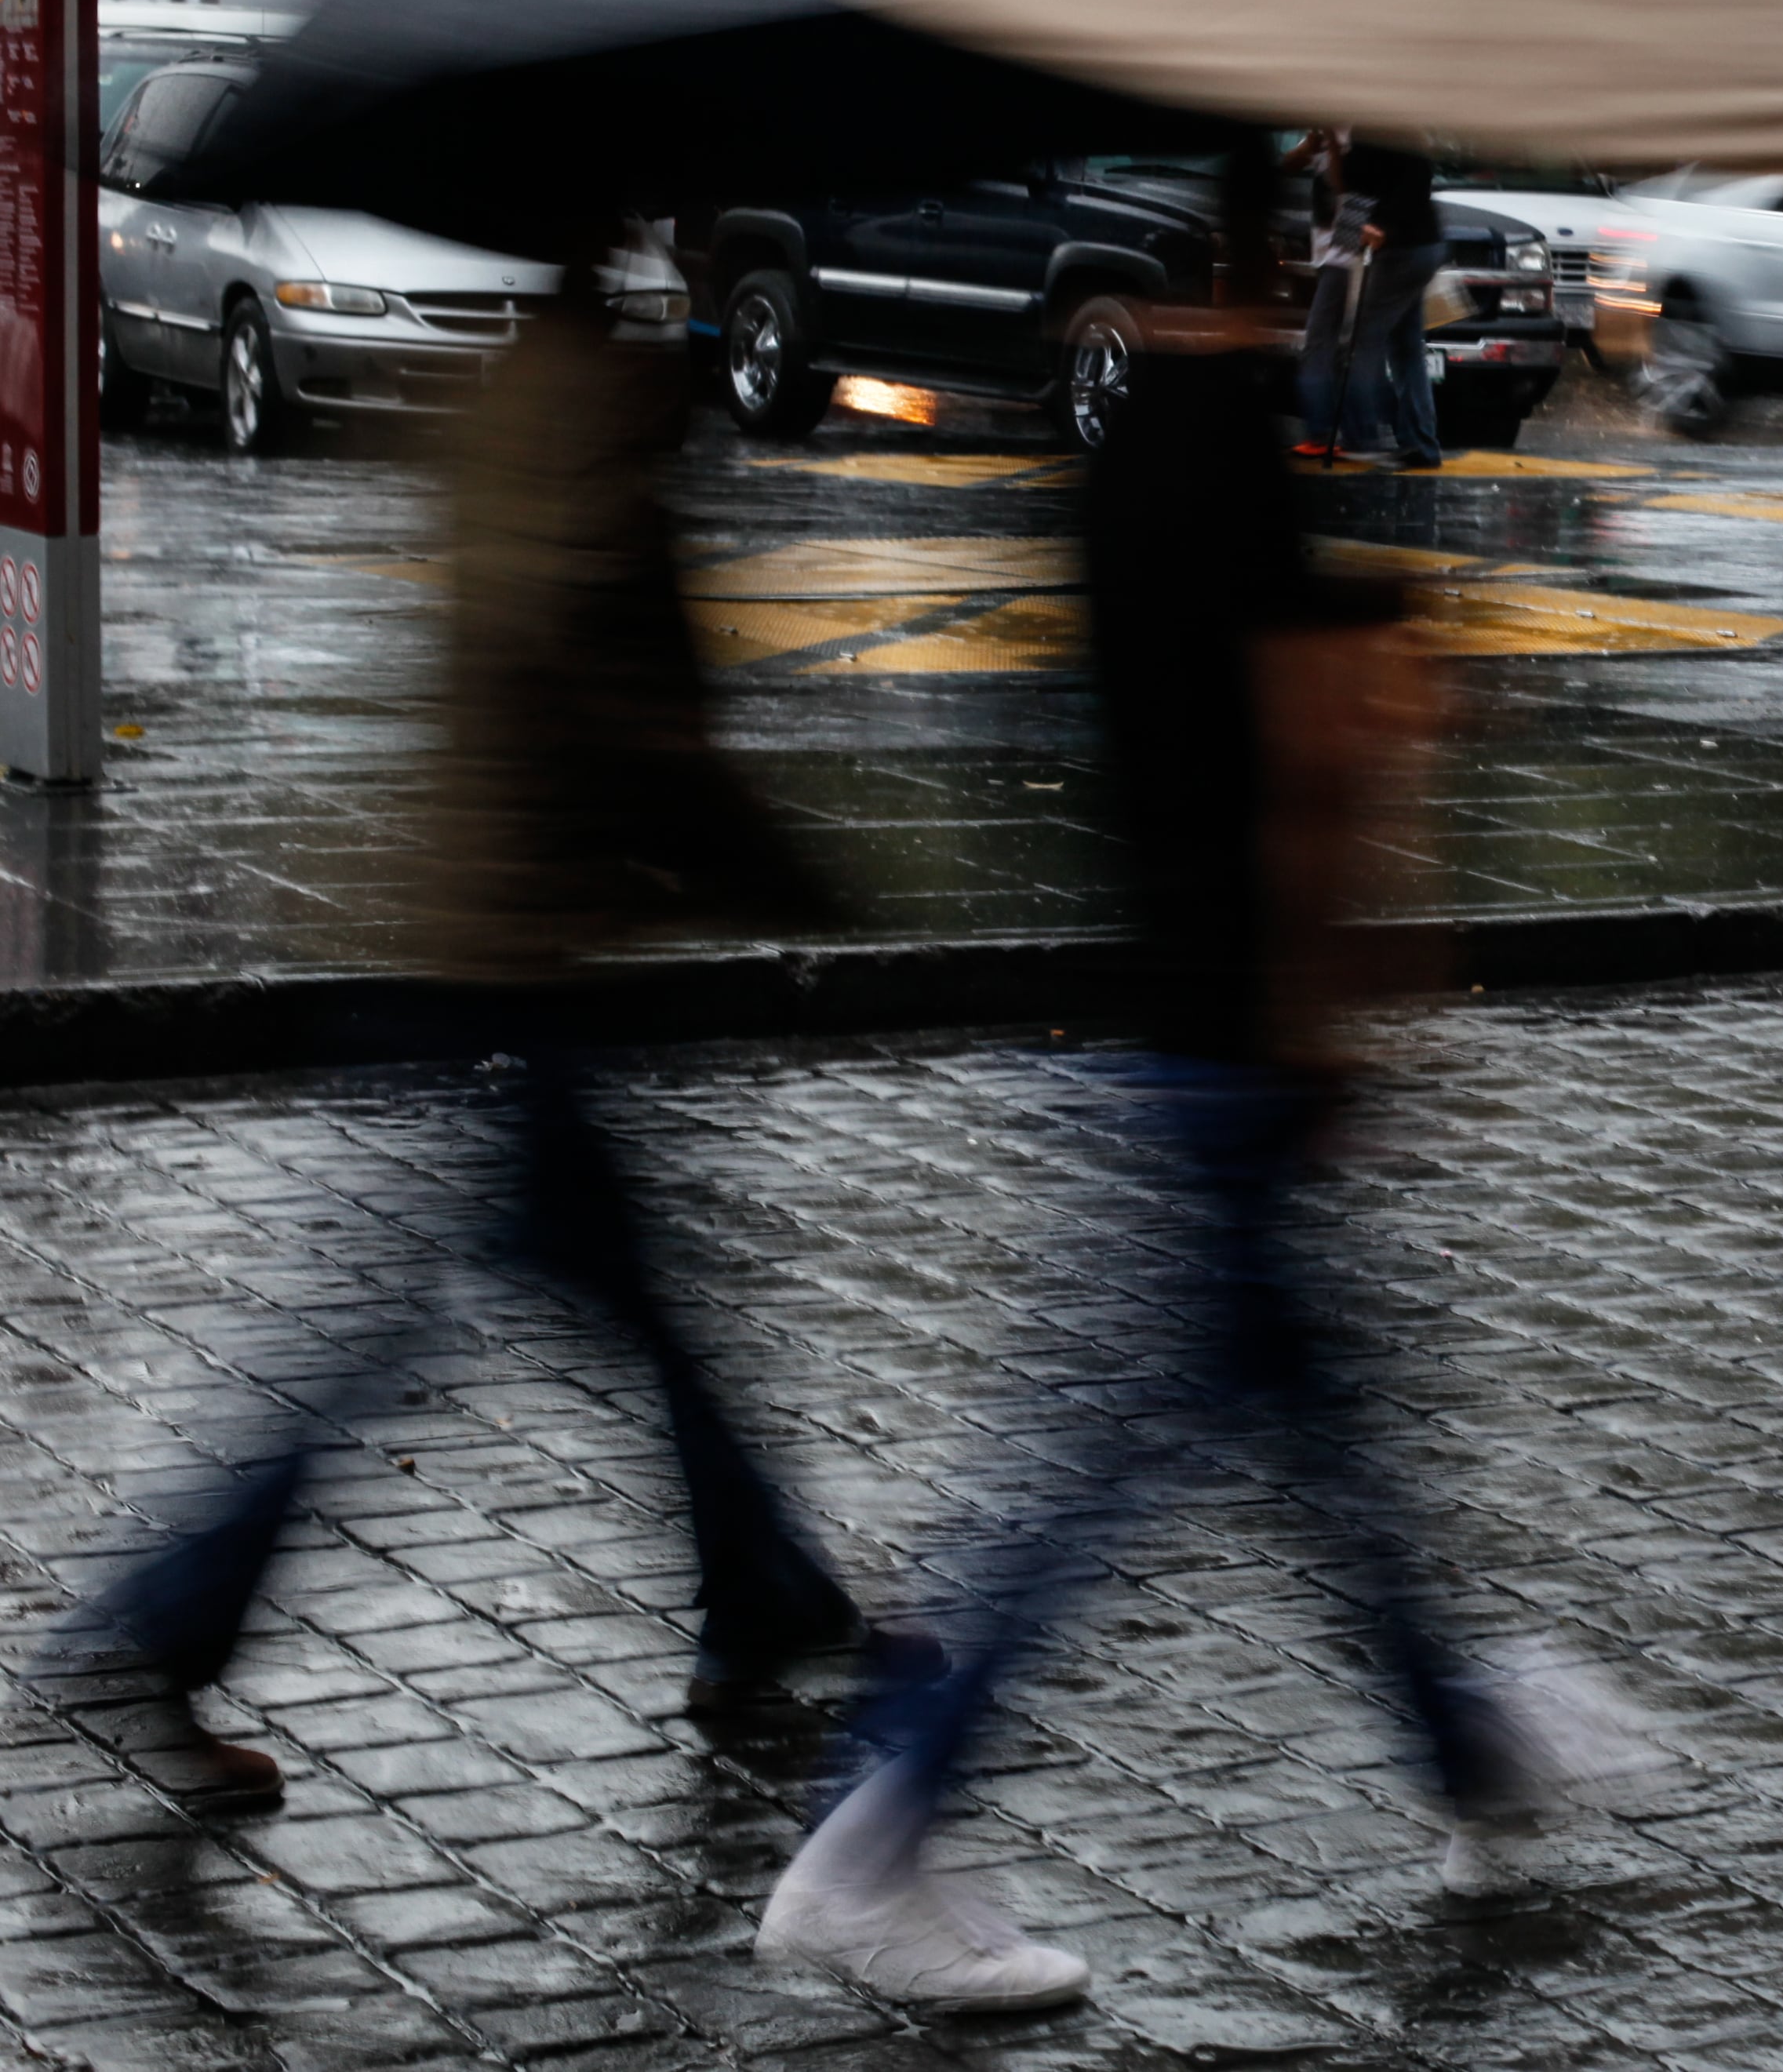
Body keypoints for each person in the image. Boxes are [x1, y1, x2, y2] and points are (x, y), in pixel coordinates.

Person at [755, 147, 1640, 2015]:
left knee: (1327, 1436)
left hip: (1180, 1023)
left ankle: (1472, 1748)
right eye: (1308, 237)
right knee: (1086, 1484)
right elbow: (1298, 755)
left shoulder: (1134, 433)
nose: (1329, 261)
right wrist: (1388, 731)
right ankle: (869, 1845)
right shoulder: (1221, 442)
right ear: (1273, 253)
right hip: (1228, 1043)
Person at [34, 241, 886, 1812]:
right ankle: (169, 1622)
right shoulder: (579, 422)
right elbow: (591, 686)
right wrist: (775, 858)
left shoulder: (526, 400)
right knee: (392, 1342)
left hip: (479, 945)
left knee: (636, 1304)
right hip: (506, 969)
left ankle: (765, 1596)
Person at [1333, 130, 1447, 470]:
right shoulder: (1378, 126)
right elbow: (1352, 182)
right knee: (1406, 346)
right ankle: (1419, 443)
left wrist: (1383, 224)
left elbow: (1411, 176)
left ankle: (1361, 437)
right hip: (1417, 244)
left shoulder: (1385, 124)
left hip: (1404, 248)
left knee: (1359, 343)